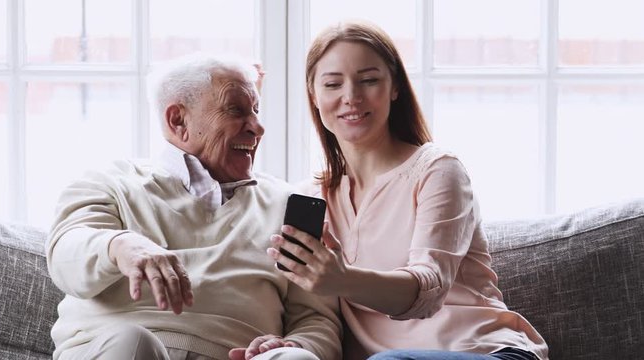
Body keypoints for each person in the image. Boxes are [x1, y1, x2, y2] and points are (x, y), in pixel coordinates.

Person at [265, 20, 549, 360]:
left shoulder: (437, 170)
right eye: (332, 84)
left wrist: (343, 279)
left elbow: (429, 289)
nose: (351, 97)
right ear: (314, 94)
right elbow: (311, 313)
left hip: (485, 351)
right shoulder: (312, 198)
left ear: (395, 87)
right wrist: (291, 343)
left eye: (369, 80)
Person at [45, 53, 341, 360]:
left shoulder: (286, 204)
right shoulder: (110, 182)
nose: (257, 127)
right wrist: (119, 246)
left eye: (255, 110)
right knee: (130, 342)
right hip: (125, 349)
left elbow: (317, 319)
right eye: (235, 110)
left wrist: (296, 344)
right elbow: (66, 259)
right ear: (178, 120)